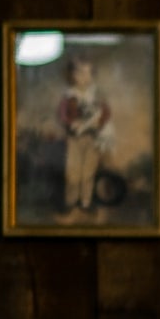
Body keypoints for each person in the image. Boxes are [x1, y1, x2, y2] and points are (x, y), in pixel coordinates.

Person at [55, 50, 118, 218]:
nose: (83, 77)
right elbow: (62, 114)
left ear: (92, 75)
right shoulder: (69, 96)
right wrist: (70, 123)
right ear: (72, 75)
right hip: (74, 139)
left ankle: (85, 202)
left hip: (93, 138)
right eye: (78, 72)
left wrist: (98, 123)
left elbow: (106, 112)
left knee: (88, 172)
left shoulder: (96, 95)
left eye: (86, 73)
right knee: (72, 173)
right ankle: (70, 202)